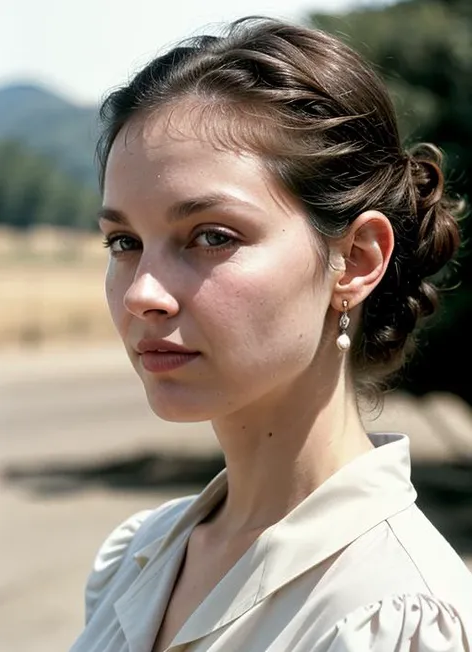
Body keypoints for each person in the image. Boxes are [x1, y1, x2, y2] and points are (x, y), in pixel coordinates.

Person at [70, 16, 472, 652]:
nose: (143, 292)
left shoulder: (394, 617)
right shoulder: (136, 558)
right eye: (125, 242)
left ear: (358, 259)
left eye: (211, 236)